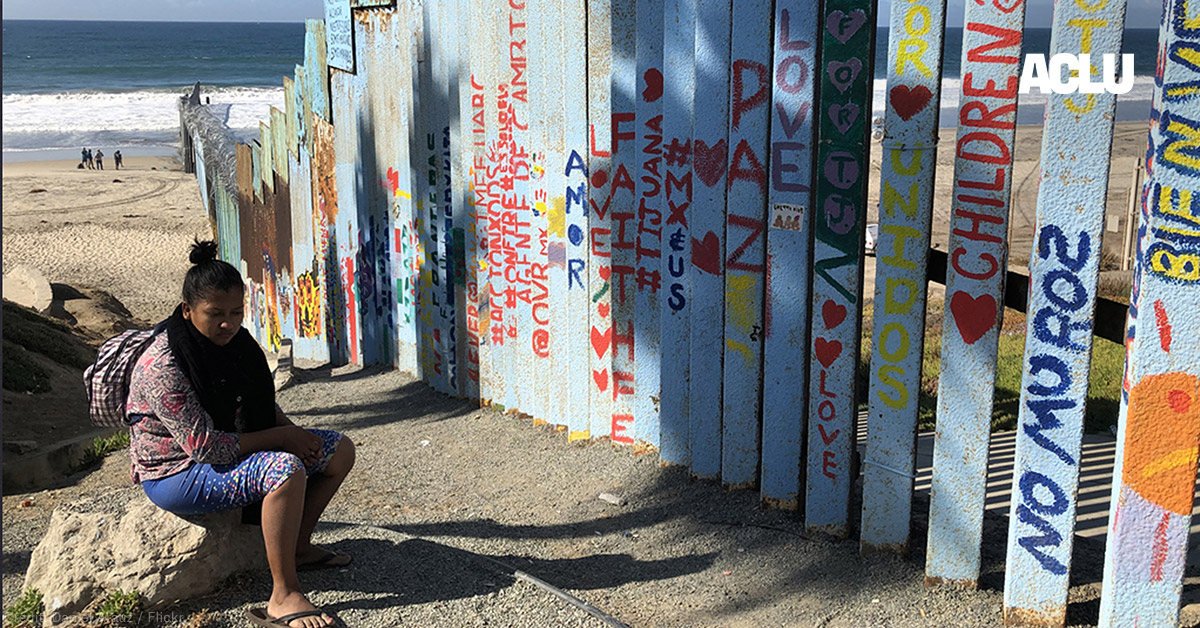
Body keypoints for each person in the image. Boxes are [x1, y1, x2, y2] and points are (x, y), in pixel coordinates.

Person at [126, 240, 355, 628]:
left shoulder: (234, 343)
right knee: (283, 470)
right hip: (175, 472)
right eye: (215, 314)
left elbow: (255, 401)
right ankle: (283, 595)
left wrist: (293, 431)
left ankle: (297, 547)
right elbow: (205, 447)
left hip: (223, 450)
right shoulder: (162, 365)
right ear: (187, 311)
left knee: (338, 450)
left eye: (236, 311)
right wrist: (282, 440)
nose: (228, 323)